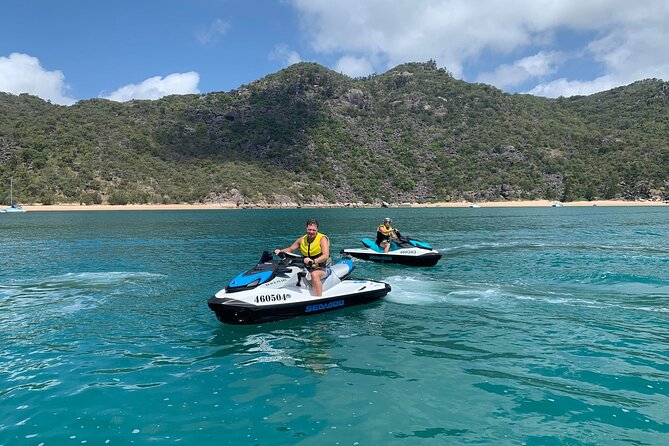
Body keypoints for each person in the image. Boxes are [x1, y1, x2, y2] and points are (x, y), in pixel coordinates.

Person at [274, 219, 331, 296]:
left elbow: (325, 255)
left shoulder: (322, 239)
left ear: (317, 229)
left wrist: (313, 261)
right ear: (306, 228)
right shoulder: (301, 240)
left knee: (314, 274)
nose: (311, 232)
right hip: (308, 266)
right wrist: (280, 251)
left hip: (323, 267)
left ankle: (318, 298)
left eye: (314, 230)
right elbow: (290, 249)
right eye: (309, 229)